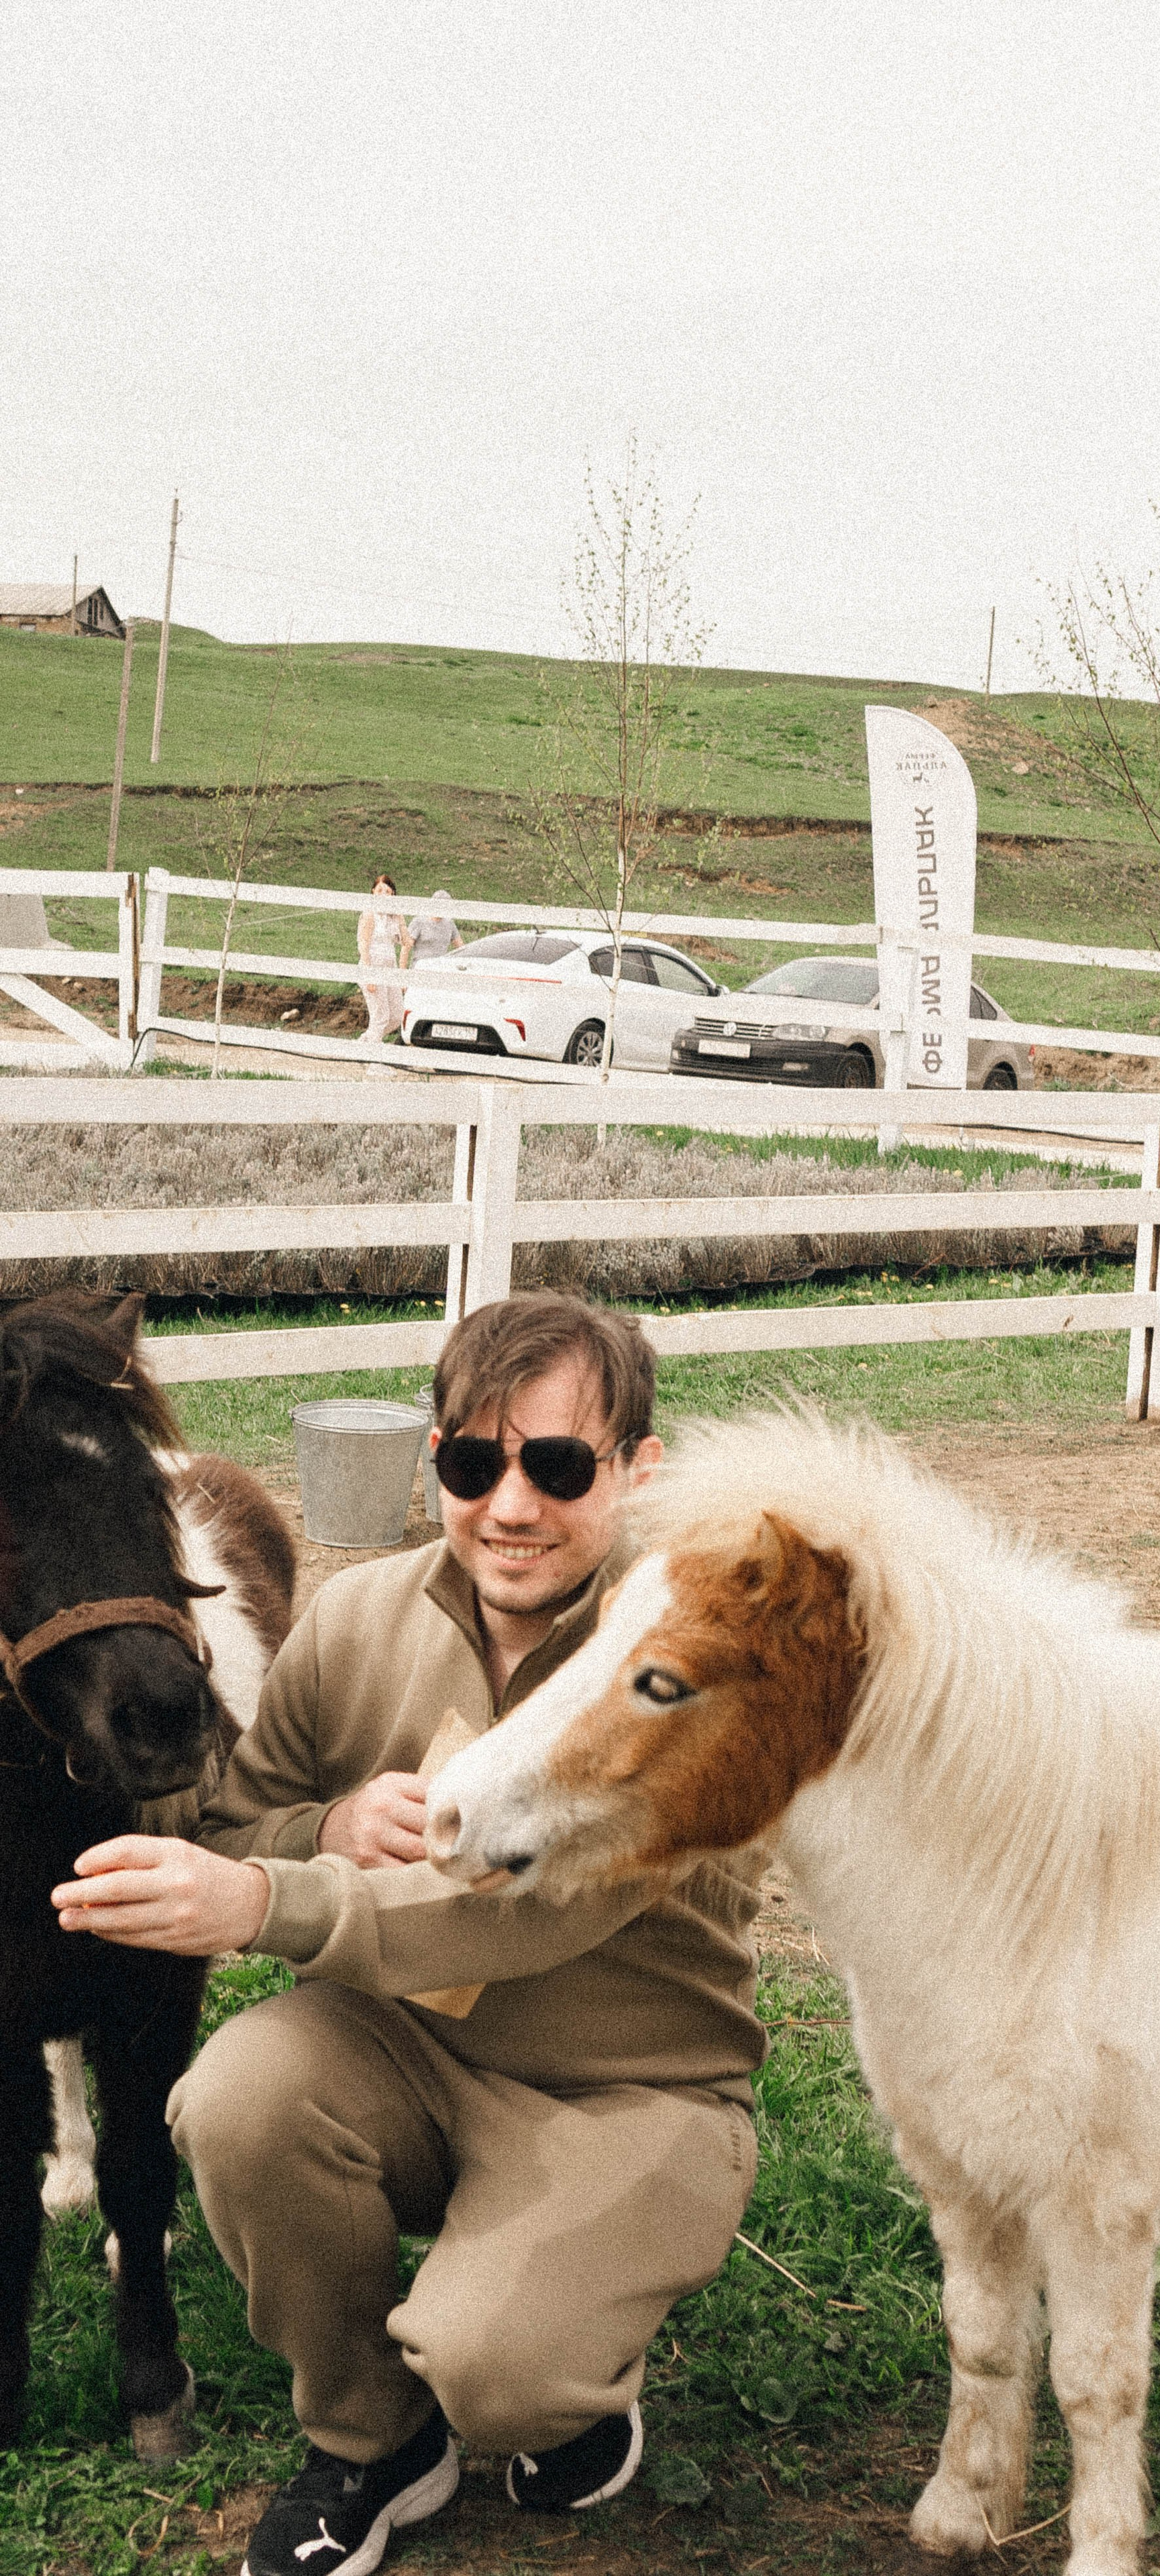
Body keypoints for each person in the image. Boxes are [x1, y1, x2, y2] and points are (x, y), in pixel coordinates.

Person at [52, 1294, 766, 2576]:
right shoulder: (358, 1616)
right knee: (238, 2097)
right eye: (470, 1460)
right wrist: (320, 1831)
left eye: (557, 1466)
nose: (511, 1504)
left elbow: (540, 1902)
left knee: (503, 2371)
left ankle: (557, 2377)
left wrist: (271, 1903)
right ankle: (371, 2440)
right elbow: (225, 1819)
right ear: (431, 1453)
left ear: (638, 1471)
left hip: (631, 2092)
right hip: (405, 2066)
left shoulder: (689, 1666)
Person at [358, 873, 409, 1042]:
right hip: (373, 965)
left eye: (387, 891)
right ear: (373, 892)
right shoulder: (369, 915)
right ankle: (374, 1062)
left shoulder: (394, 917)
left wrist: (400, 918)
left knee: (396, 1016)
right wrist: (369, 974)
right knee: (381, 1016)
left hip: (390, 967)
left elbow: (406, 942)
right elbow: (363, 944)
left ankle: (365, 1042)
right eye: (380, 891)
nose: (383, 895)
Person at [406, 890, 464, 965]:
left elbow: (460, 947)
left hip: (440, 968)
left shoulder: (450, 923)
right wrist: (402, 971)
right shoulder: (419, 921)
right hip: (421, 967)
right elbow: (406, 948)